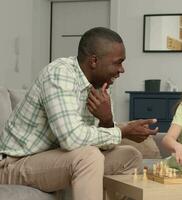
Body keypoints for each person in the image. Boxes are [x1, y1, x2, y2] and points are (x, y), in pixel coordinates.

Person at [0, 27, 158, 200]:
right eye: (117, 62)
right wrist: (123, 131)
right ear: (94, 61)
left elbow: (101, 143)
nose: (122, 69)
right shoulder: (59, 74)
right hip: (15, 163)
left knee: (129, 155)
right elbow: (72, 139)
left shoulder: (101, 85)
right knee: (88, 157)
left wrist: (107, 120)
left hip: (57, 159)